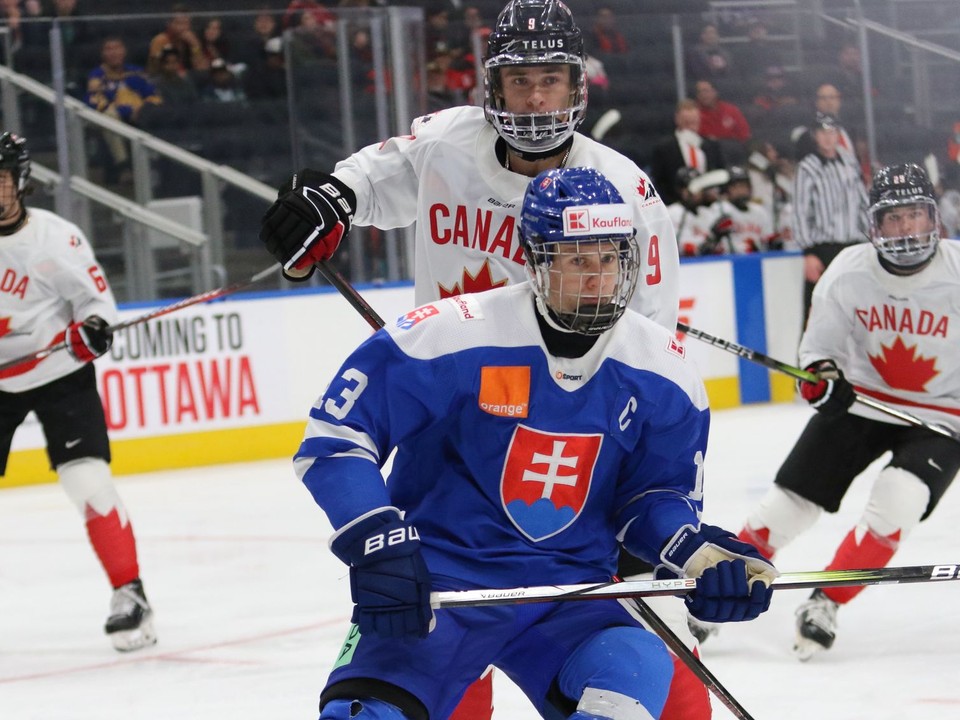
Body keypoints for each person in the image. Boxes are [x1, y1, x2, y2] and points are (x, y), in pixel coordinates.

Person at [260, 2, 703, 717]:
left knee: (654, 687)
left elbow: (640, 355)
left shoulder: (625, 194)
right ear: (491, 87)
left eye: (551, 81)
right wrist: (326, 204)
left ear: (577, 87)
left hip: (565, 455)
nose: (535, 98)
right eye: (520, 80)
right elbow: (361, 184)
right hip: (453, 429)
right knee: (443, 657)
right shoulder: (446, 143)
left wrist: (634, 518)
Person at [297, 165, 777, 720]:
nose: (597, 277)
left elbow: (651, 499)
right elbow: (336, 439)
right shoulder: (450, 333)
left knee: (636, 669)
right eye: (577, 260)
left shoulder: (663, 370)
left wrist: (696, 553)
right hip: (438, 586)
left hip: (570, 595)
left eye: (610, 258)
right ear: (535, 259)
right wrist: (376, 539)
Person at [734, 163, 960, 660]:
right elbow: (817, 352)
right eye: (893, 218)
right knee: (783, 510)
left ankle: (827, 600)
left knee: (897, 501)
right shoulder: (850, 269)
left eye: (915, 216)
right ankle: (715, 592)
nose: (905, 229)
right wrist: (825, 381)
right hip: (862, 403)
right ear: (874, 225)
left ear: (933, 217)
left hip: (941, 420)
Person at [0, 132, 156, 652]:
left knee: (86, 481)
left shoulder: (55, 238)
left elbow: (98, 306)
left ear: (20, 179)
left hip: (58, 373)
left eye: (1, 176)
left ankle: (130, 596)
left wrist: (91, 330)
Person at [792, 112, 868, 323]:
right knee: (818, 310)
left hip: (853, 246)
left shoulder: (849, 162)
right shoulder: (807, 167)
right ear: (815, 136)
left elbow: (863, 203)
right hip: (823, 248)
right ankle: (811, 356)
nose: (828, 137)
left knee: (856, 309)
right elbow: (800, 211)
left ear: (838, 134)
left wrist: (869, 240)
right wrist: (808, 252)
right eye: (822, 133)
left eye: (832, 132)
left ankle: (853, 356)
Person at [650, 99, 725, 207]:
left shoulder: (711, 146)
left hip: (708, 208)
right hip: (676, 208)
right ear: (677, 119)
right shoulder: (664, 149)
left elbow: (720, 173)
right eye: (687, 122)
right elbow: (659, 181)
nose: (691, 126)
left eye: (694, 121)